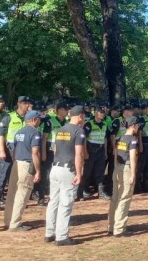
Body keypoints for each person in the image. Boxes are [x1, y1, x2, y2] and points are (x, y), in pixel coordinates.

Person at [45, 104, 86, 246]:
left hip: (55, 167)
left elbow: (55, 150)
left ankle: (49, 232)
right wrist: (79, 173)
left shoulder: (60, 130)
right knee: (66, 203)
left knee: (53, 202)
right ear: (80, 116)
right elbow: (79, 154)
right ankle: (61, 236)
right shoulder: (79, 132)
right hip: (68, 169)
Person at [4, 110, 43, 231]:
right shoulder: (35, 133)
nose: (40, 121)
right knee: (22, 193)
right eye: (38, 119)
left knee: (12, 193)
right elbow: (35, 153)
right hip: (26, 164)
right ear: (33, 120)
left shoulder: (19, 132)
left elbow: (14, 149)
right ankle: (15, 224)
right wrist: (38, 171)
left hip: (17, 163)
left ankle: (8, 220)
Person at [108, 115, 140, 237]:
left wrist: (116, 168)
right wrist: (133, 174)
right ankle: (119, 228)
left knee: (115, 198)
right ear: (133, 126)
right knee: (124, 197)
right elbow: (132, 157)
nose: (138, 128)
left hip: (118, 168)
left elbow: (116, 155)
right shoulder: (132, 139)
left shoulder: (120, 138)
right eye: (137, 125)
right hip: (126, 168)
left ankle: (111, 226)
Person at [80, 105, 112, 200]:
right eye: (100, 112)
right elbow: (84, 138)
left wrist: (105, 152)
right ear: (95, 113)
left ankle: (101, 192)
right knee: (87, 171)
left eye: (103, 112)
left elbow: (105, 139)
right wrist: (85, 151)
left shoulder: (105, 124)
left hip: (100, 149)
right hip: (91, 148)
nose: (102, 114)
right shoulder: (89, 124)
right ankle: (84, 191)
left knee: (100, 172)